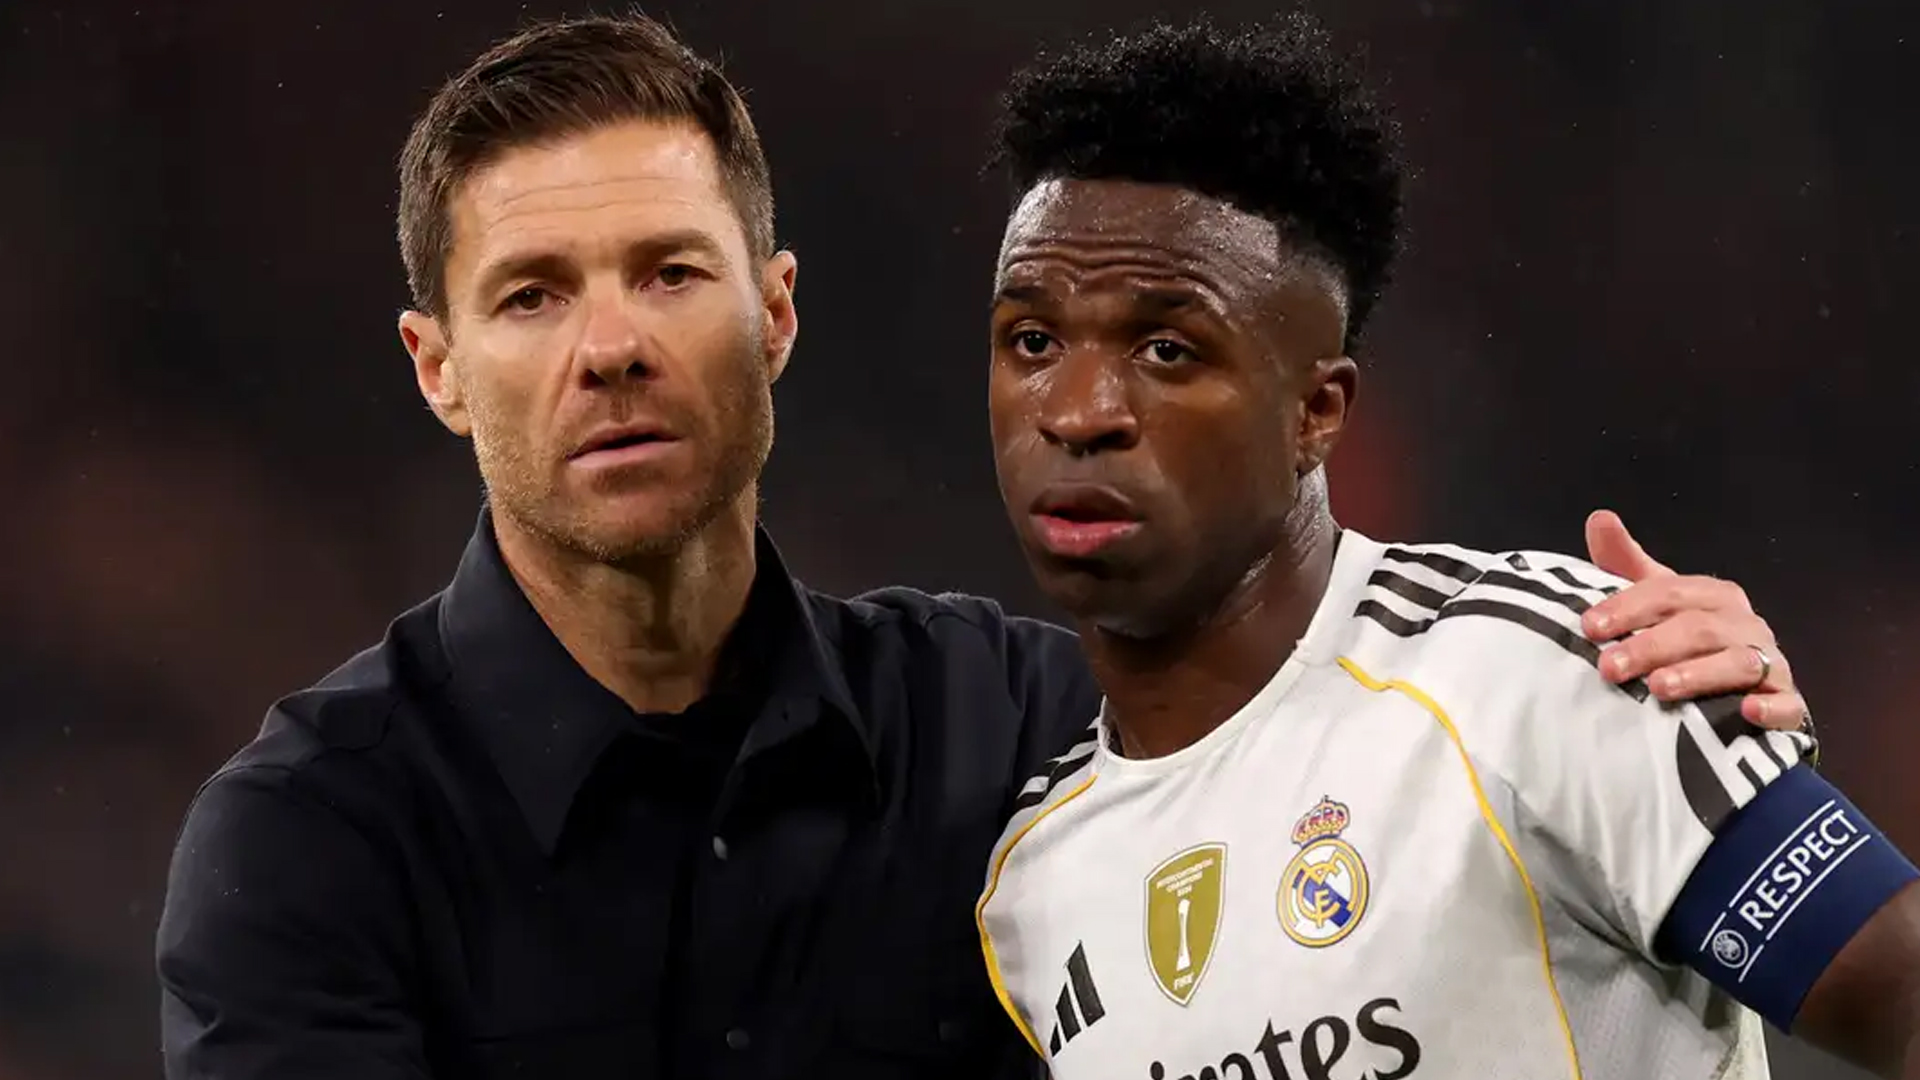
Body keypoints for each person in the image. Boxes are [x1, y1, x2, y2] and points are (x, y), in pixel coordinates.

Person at [156, 14, 1822, 1080]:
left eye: (670, 273)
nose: (611, 348)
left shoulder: (1026, 732)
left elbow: (1392, 732)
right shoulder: (308, 846)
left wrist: (1659, 680)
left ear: (775, 315)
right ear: (437, 367)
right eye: (532, 296)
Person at [974, 15, 1919, 1080]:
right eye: (1033, 341)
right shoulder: (1032, 886)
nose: (1078, 411)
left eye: (1165, 349)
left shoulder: (1551, 671)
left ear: (1316, 414)